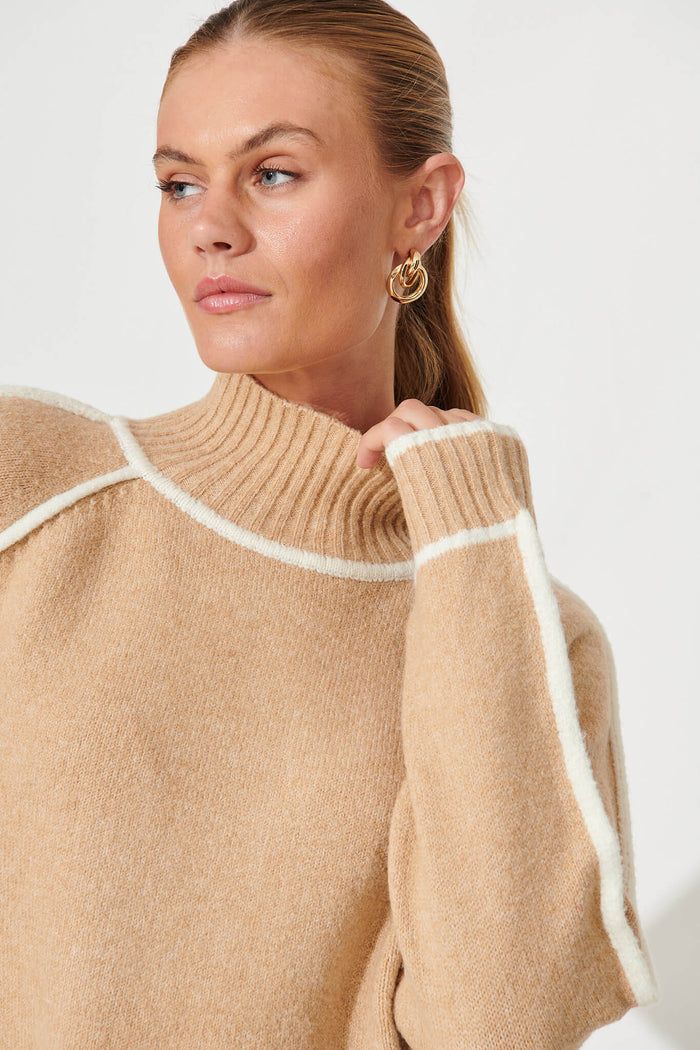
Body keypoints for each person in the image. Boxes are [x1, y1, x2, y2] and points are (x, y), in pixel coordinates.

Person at [0, 0, 659, 1046]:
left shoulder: (525, 630)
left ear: (421, 208)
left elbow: (499, 1024)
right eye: (179, 184)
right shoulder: (34, 487)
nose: (210, 225)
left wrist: (473, 546)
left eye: (272, 174)